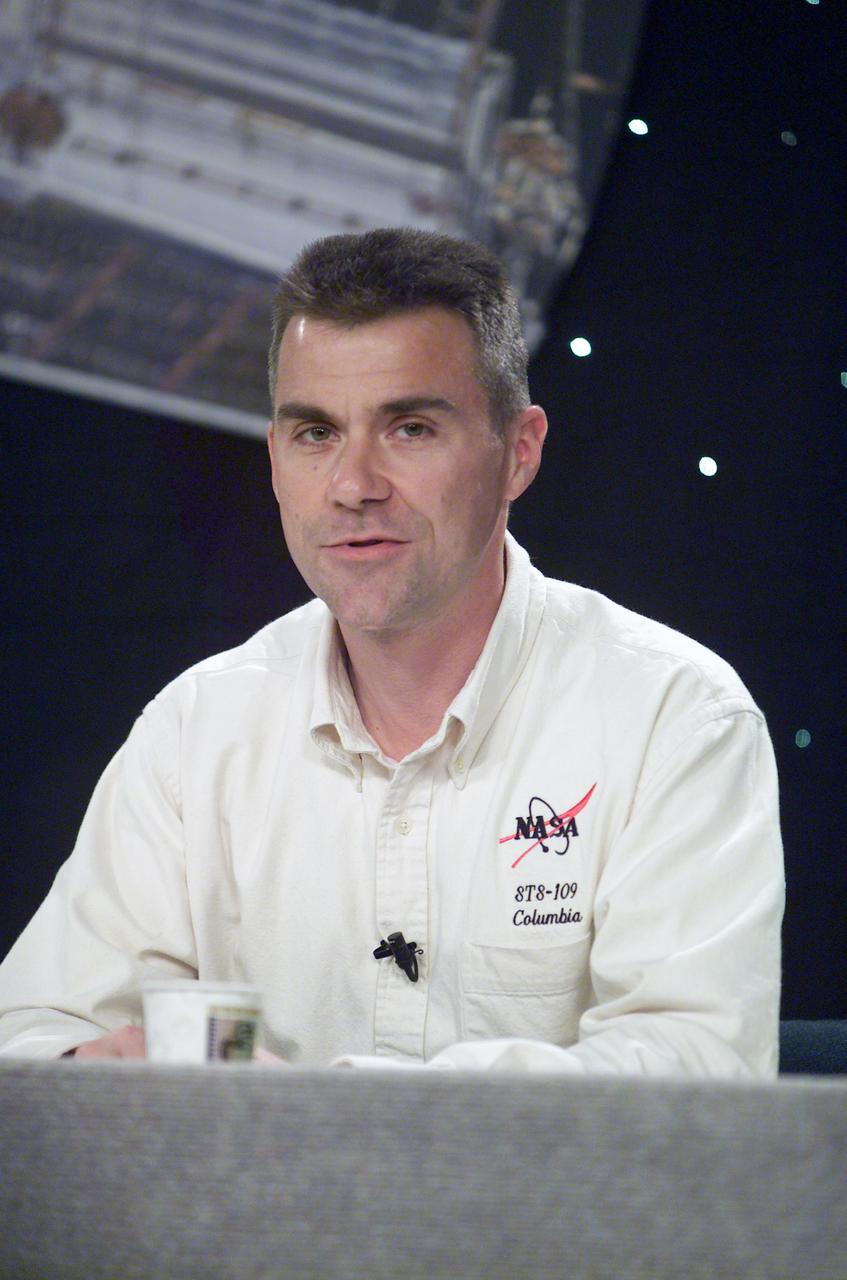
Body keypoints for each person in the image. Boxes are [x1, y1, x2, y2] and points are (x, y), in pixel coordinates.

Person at [0, 228, 784, 1074]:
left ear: (518, 452)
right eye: (314, 434)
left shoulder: (674, 717)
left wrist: (328, 1118)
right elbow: (33, 1032)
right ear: (273, 459)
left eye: (409, 429)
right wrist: (90, 1066)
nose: (352, 485)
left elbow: (698, 1075)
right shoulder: (199, 730)